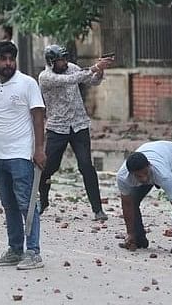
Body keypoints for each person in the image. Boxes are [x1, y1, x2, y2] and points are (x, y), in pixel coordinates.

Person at [0, 41, 46, 270]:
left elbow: (38, 117)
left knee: (27, 205)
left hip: (20, 156)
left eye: (11, 59)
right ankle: (15, 250)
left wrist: (39, 149)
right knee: (8, 206)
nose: (8, 63)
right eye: (3, 59)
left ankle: (33, 252)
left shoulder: (27, 83)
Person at [37, 45, 113, 221]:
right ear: (51, 62)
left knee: (86, 165)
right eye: (60, 60)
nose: (64, 63)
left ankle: (97, 209)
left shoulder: (72, 68)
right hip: (57, 127)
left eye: (65, 59)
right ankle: (43, 200)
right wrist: (95, 67)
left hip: (79, 125)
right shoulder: (46, 77)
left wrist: (100, 71)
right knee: (48, 167)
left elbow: (91, 81)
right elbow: (70, 81)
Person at [116, 141, 172, 254]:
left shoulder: (163, 175)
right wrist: (130, 233)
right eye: (139, 176)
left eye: (146, 173)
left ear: (149, 165)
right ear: (131, 174)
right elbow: (127, 204)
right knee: (133, 200)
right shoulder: (123, 177)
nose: (144, 179)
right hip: (152, 152)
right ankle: (138, 239)